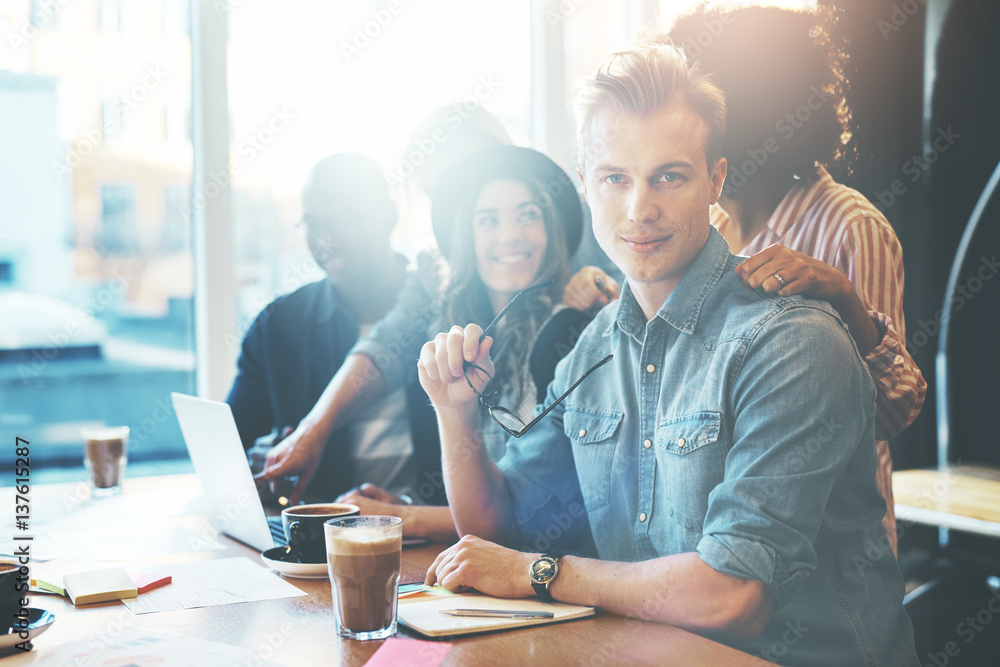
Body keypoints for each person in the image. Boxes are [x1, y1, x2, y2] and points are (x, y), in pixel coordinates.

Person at [417, 43, 918, 666]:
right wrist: (454, 412)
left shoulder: (792, 340)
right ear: (585, 187)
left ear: (716, 179)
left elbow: (732, 596)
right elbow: (496, 534)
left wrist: (538, 572)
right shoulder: (594, 348)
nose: (639, 210)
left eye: (669, 176)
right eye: (615, 178)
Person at [666, 5, 926, 555]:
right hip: (723, 543)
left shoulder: (849, 227)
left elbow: (894, 413)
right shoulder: (705, 223)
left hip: (832, 559)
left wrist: (845, 300)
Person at [337, 146, 590, 541]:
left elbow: (524, 510)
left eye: (528, 215)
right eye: (488, 220)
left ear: (551, 231)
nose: (510, 235)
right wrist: (404, 508)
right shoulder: (452, 339)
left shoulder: (569, 337)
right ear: (466, 241)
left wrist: (397, 519)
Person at [226, 153, 444, 505]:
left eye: (345, 220)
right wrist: (261, 464)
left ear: (388, 217)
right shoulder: (278, 326)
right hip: (324, 541)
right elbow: (231, 448)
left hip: (438, 541)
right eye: (313, 224)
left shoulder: (444, 309)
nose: (327, 239)